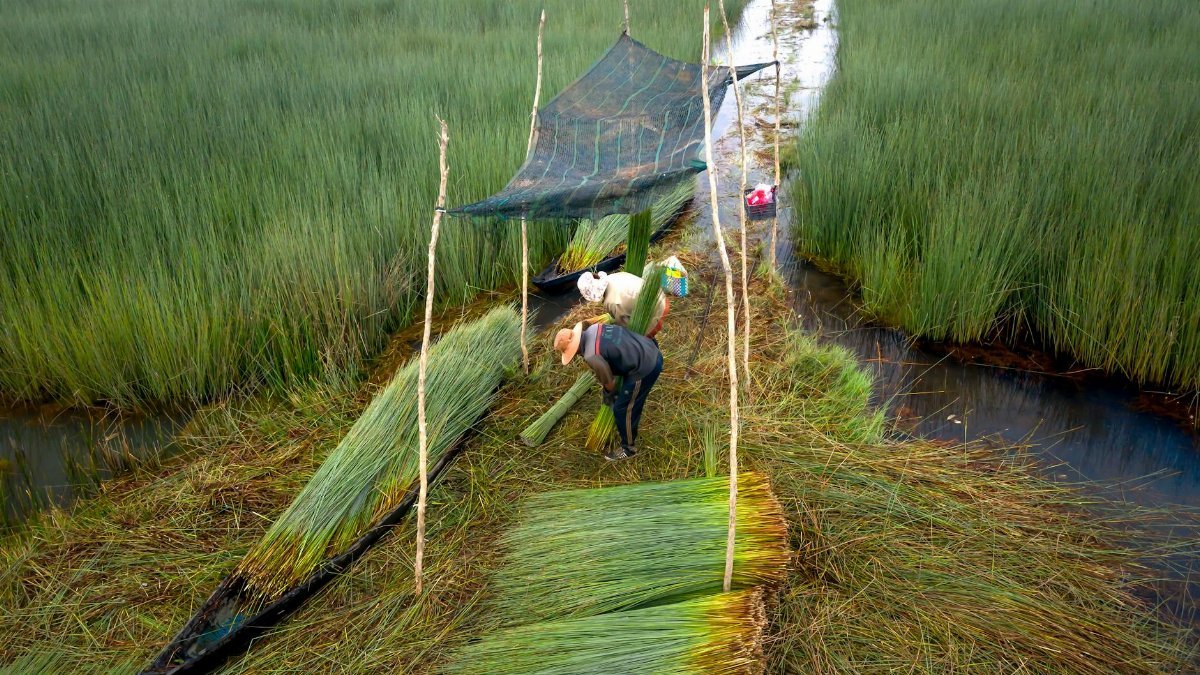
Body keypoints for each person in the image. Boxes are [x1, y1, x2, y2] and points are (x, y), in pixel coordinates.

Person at [554, 320, 663, 461]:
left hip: (646, 368)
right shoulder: (595, 328)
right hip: (650, 348)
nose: (576, 356)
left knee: (623, 409)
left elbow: (609, 383)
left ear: (575, 349)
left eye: (574, 354)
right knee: (624, 399)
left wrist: (608, 395)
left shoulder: (590, 355)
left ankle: (628, 449)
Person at [577, 270, 668, 338]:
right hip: (661, 296)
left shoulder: (612, 302)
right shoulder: (614, 276)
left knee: (636, 339)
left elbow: (626, 328)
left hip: (659, 310)